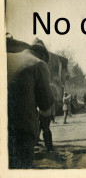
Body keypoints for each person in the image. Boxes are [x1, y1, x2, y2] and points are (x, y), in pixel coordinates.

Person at [7, 38, 54, 169]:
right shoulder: (38, 64)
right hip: (21, 133)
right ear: (44, 55)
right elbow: (46, 104)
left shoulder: (6, 57)